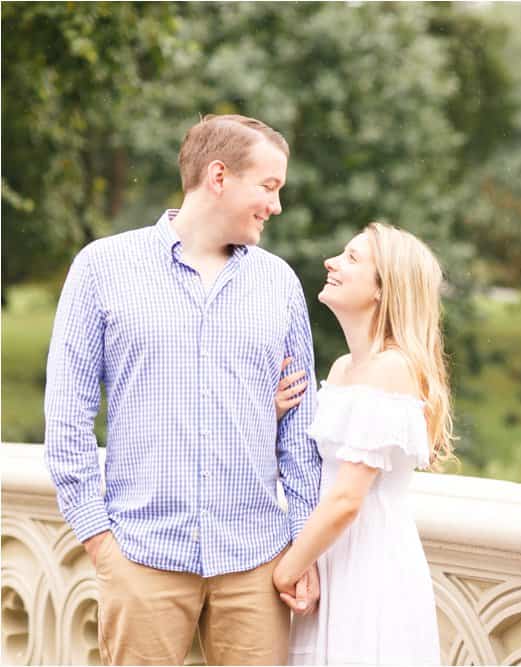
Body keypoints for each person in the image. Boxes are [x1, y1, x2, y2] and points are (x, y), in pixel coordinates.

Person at [44, 114, 322, 665]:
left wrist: (303, 546)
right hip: (142, 557)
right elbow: (67, 420)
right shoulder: (102, 268)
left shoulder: (279, 284)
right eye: (269, 187)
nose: (277, 205)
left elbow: (300, 432)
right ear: (219, 177)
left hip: (257, 563)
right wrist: (101, 542)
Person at [273, 222, 456, 665]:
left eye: (352, 258)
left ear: (383, 288)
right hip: (331, 558)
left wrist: (286, 570)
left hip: (369, 567)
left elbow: (346, 500)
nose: (331, 263)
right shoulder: (340, 370)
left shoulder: (392, 369)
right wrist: (273, 414)